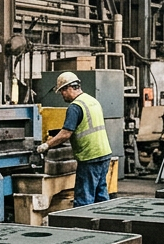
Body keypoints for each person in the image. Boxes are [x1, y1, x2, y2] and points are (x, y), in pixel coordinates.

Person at [37, 71, 113, 206]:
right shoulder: (92, 100)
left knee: (84, 198)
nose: (62, 95)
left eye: (62, 91)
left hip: (89, 156)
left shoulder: (75, 107)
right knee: (101, 195)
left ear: (69, 88)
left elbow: (66, 133)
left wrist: (47, 145)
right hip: (104, 153)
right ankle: (103, 224)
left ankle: (81, 224)